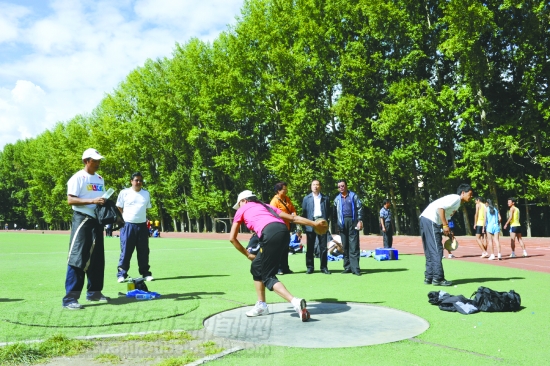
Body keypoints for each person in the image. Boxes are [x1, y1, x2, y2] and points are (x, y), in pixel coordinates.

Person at [229, 190, 327, 321]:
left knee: (267, 276)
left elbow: (232, 238)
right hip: (284, 232)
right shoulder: (266, 206)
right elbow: (293, 218)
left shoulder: (243, 209)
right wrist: (314, 223)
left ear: (244, 201)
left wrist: (247, 254)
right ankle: (261, 305)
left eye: (239, 204)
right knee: (256, 266)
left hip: (269, 234)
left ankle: (295, 302)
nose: (239, 207)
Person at [62, 148, 109, 310]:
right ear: (86, 161)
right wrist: (94, 201)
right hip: (82, 220)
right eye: (94, 160)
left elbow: (99, 199)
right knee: (78, 258)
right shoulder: (77, 178)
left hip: (97, 221)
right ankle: (70, 299)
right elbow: (70, 200)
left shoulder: (100, 179)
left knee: (97, 259)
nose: (98, 163)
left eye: (99, 160)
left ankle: (94, 292)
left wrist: (104, 204)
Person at [420, 183, 473, 286]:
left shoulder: (457, 203)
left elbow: (445, 216)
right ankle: (438, 278)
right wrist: (444, 225)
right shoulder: (456, 198)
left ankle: (429, 277)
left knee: (430, 250)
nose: (471, 197)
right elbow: (440, 208)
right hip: (431, 220)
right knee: (436, 249)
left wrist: (449, 233)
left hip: (425, 219)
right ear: (463, 193)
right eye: (470, 194)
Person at [116, 172, 153, 283]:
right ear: (131, 181)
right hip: (128, 225)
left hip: (142, 226)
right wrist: (125, 217)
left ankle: (145, 273)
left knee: (143, 251)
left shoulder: (146, 194)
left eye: (140, 180)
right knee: (126, 250)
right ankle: (121, 274)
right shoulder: (124, 192)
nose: (138, 182)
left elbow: (146, 208)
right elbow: (119, 206)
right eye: (136, 180)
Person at [301, 179, 332, 274]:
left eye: (317, 184)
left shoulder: (325, 198)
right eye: (313, 185)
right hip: (310, 223)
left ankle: (324, 267)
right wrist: (304, 226)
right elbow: (304, 213)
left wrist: (326, 224)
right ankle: (310, 267)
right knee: (310, 247)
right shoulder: (306, 198)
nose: (315, 186)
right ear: (311, 187)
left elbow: (329, 212)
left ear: (320, 186)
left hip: (322, 224)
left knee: (323, 247)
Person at [333, 179, 363, 276]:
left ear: (346, 186)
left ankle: (355, 268)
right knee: (345, 245)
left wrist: (360, 220)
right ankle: (347, 267)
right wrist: (336, 225)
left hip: (352, 222)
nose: (341, 188)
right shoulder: (337, 199)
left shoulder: (353, 196)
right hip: (342, 223)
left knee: (353, 245)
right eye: (339, 186)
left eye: (342, 186)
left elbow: (359, 208)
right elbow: (334, 214)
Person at [270, 182, 296, 274]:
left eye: (286, 189)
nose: (286, 190)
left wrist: (293, 214)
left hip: (287, 227)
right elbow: (273, 214)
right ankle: (278, 268)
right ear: (278, 191)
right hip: (279, 227)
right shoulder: (274, 201)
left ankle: (285, 268)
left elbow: (292, 209)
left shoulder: (287, 199)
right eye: (284, 189)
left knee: (285, 248)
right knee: (279, 248)